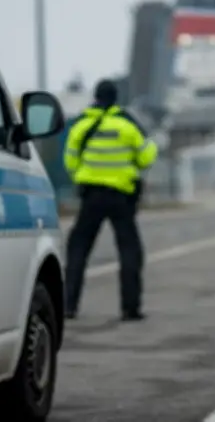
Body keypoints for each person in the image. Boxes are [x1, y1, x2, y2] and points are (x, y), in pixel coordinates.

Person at [63, 79, 158, 322]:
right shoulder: (127, 126)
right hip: (121, 197)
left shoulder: (82, 126)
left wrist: (87, 176)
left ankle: (68, 306)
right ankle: (130, 308)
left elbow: (70, 162)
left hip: (92, 196)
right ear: (115, 98)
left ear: (95, 97)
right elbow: (147, 157)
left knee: (78, 249)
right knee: (129, 251)